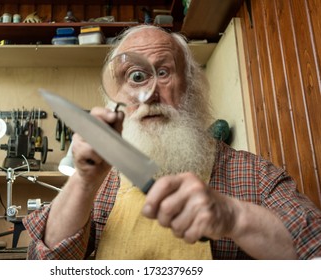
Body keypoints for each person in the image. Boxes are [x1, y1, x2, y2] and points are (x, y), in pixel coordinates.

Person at [23, 25, 321, 260]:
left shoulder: (254, 176)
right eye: (135, 76)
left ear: (190, 87)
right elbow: (45, 263)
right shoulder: (100, 176)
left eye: (163, 72)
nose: (150, 94)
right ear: (116, 97)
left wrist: (234, 218)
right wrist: (84, 183)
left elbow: (313, 250)